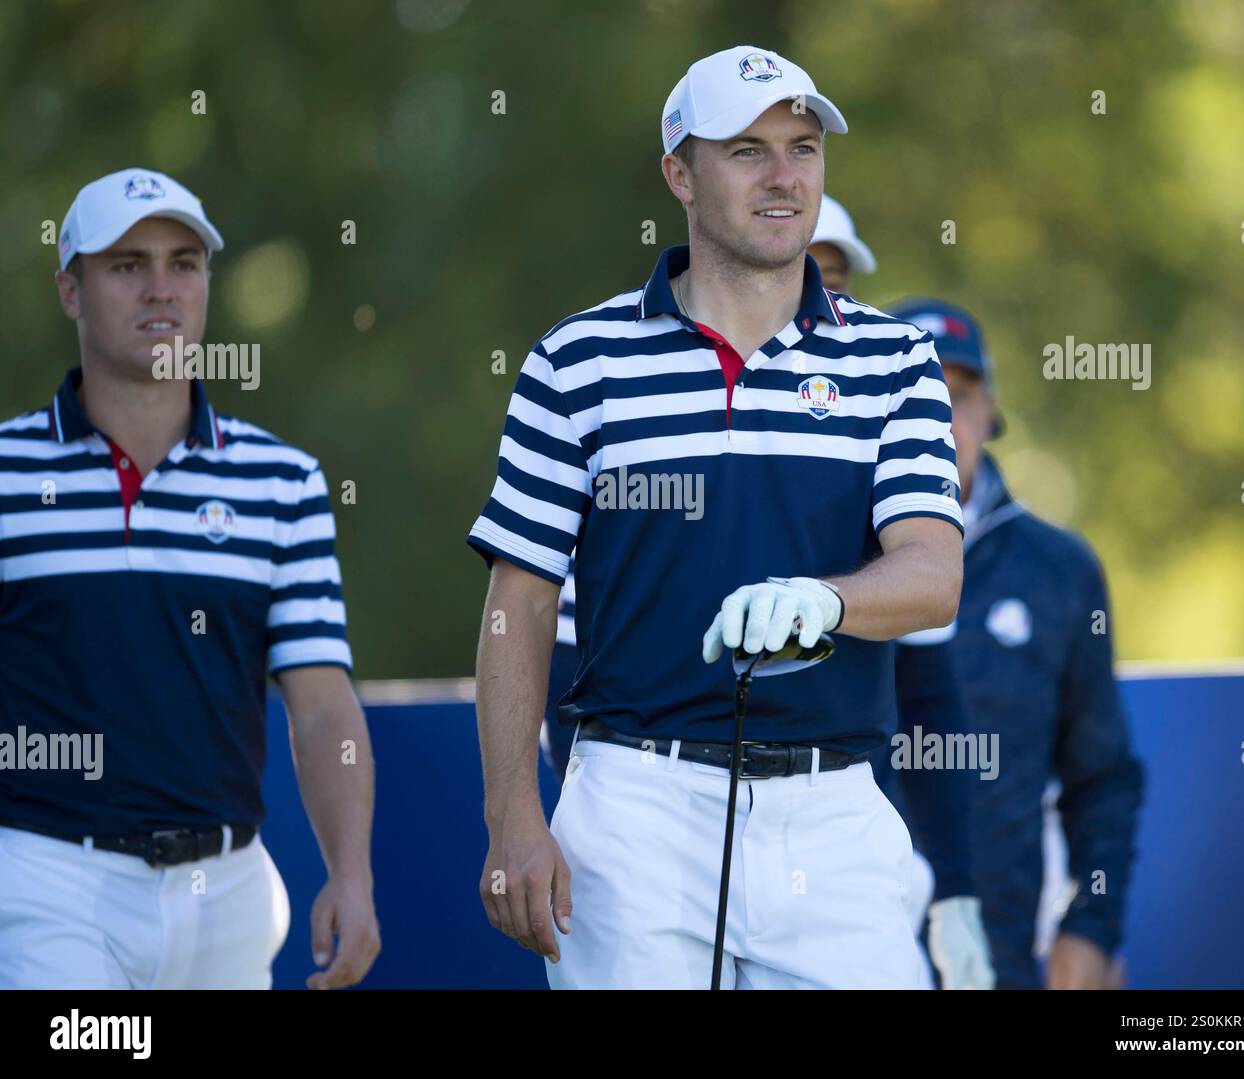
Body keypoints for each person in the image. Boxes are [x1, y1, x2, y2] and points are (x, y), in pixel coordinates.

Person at [469, 46, 964, 989]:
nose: (784, 176)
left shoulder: (896, 361)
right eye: (746, 151)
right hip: (633, 805)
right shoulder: (577, 361)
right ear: (679, 174)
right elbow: (518, 602)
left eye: (803, 147)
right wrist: (510, 816)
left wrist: (821, 599)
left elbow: (933, 572)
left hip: (835, 811)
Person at [539, 193, 994, 990]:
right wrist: (563, 812)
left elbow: (930, 687)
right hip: (648, 808)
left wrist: (952, 887)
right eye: (810, 269)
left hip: (833, 817)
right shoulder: (637, 390)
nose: (815, 292)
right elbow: (556, 664)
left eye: (835, 276)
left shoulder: (880, 396)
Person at [0, 168, 380, 990]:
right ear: (71, 291)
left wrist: (351, 874)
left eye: (184, 262)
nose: (161, 288)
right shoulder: (5, 473)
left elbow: (321, 705)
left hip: (229, 892)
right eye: (127, 265)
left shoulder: (281, 481)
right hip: (48, 880)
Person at [885, 297, 1144, 989]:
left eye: (959, 394)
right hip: (841, 946)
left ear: (989, 412)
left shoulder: (1058, 568)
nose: (940, 416)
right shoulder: (826, 559)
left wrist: (1091, 926)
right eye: (916, 392)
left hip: (999, 955)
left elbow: (1103, 776)